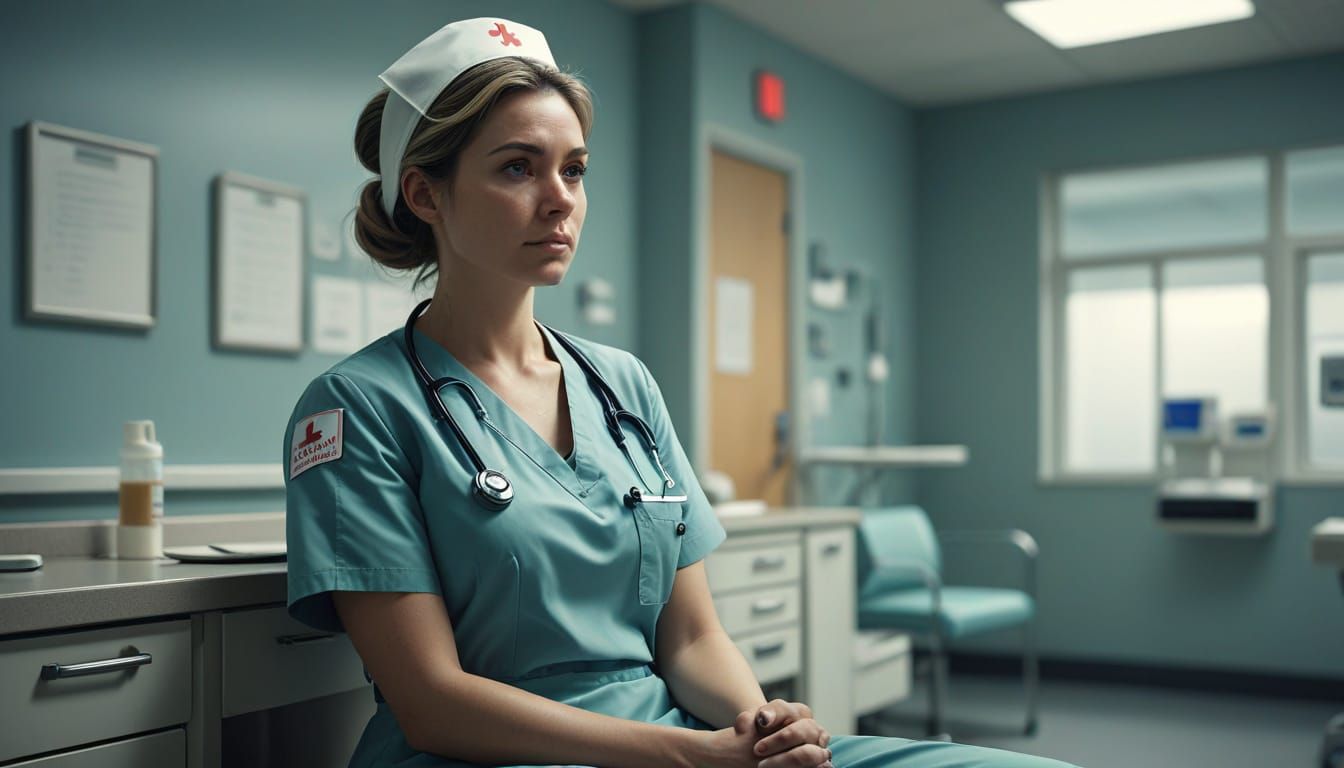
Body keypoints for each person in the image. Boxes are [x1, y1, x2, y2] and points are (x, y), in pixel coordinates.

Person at [283, 17, 1080, 768]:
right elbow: (431, 702)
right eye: (517, 167)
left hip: (684, 743)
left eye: (574, 169)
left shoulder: (621, 384)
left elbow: (693, 640)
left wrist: (762, 731)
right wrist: (691, 755)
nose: (560, 198)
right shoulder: (358, 408)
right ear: (425, 195)